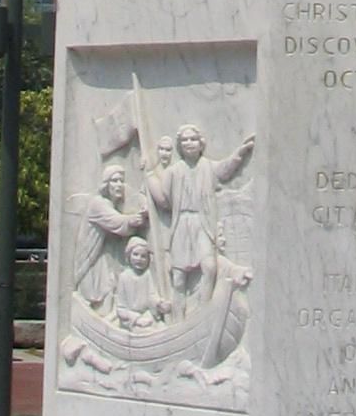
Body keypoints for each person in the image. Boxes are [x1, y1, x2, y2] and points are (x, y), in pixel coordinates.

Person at [145, 125, 255, 316]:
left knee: (209, 268)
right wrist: (148, 177)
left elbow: (226, 169)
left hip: (202, 223)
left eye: (193, 139)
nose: (189, 143)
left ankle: (204, 313)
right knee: (179, 279)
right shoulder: (173, 171)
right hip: (181, 225)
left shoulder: (208, 167)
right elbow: (163, 200)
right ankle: (178, 321)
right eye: (185, 140)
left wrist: (241, 152)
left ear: (200, 143)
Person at [71, 165, 147, 317]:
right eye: (114, 181)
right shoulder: (98, 204)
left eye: (121, 181)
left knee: (111, 286)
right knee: (101, 290)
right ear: (106, 185)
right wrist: (137, 218)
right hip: (91, 260)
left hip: (103, 256)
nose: (119, 185)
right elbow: (117, 223)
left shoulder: (111, 205)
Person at [114, 236, 172, 330]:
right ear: (129, 255)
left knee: (162, 328)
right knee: (145, 331)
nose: (139, 259)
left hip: (148, 316)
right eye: (135, 254)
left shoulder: (148, 275)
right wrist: (137, 319)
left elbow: (152, 296)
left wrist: (159, 304)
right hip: (132, 320)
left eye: (143, 256)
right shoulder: (124, 277)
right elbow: (120, 309)